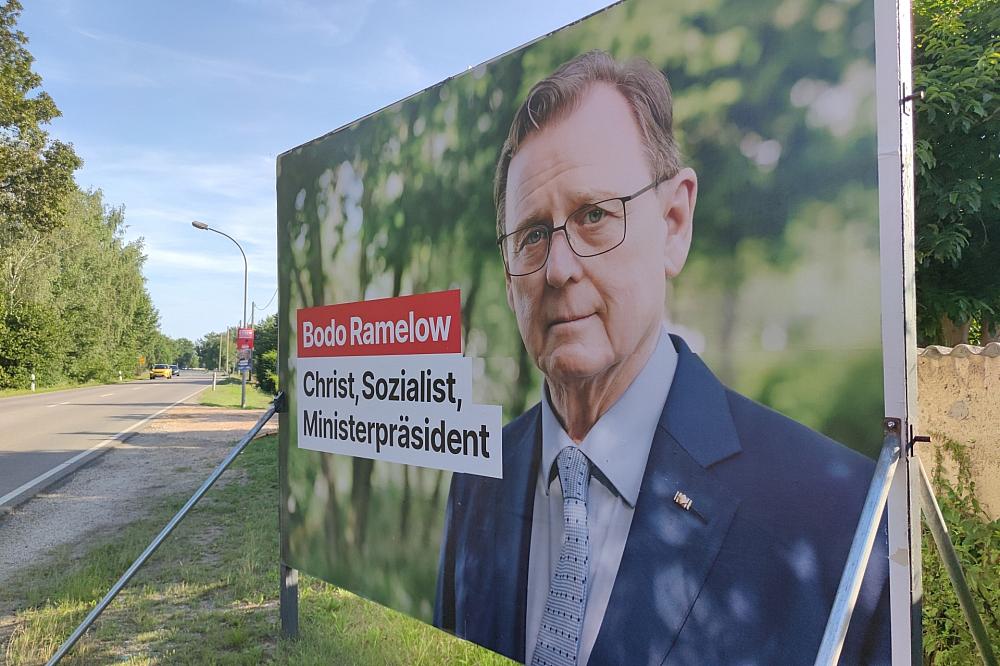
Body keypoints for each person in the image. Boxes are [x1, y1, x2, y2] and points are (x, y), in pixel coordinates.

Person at [434, 50, 889, 665]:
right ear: (509, 272)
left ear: (674, 222)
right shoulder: (478, 478)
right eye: (532, 235)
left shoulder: (840, 520)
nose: (560, 269)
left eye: (595, 215)